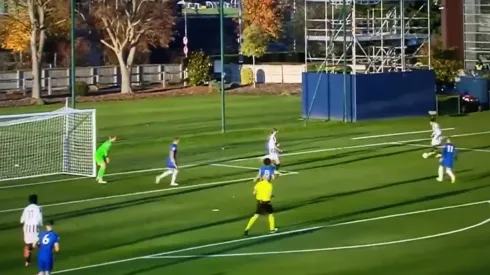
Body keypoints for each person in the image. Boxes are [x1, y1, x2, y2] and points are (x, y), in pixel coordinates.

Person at [244, 158, 278, 236]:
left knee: (256, 215)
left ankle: (247, 228)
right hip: (266, 201)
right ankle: (272, 229)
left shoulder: (259, 182)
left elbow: (254, 192)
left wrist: (255, 179)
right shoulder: (270, 183)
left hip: (259, 200)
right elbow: (270, 193)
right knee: (270, 214)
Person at [20, 194, 43, 267]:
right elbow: (39, 219)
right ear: (36, 200)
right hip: (35, 228)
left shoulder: (26, 209)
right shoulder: (38, 208)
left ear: (29, 201)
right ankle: (43, 258)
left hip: (27, 228)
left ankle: (27, 262)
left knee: (28, 245)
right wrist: (40, 224)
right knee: (40, 244)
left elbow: (21, 221)